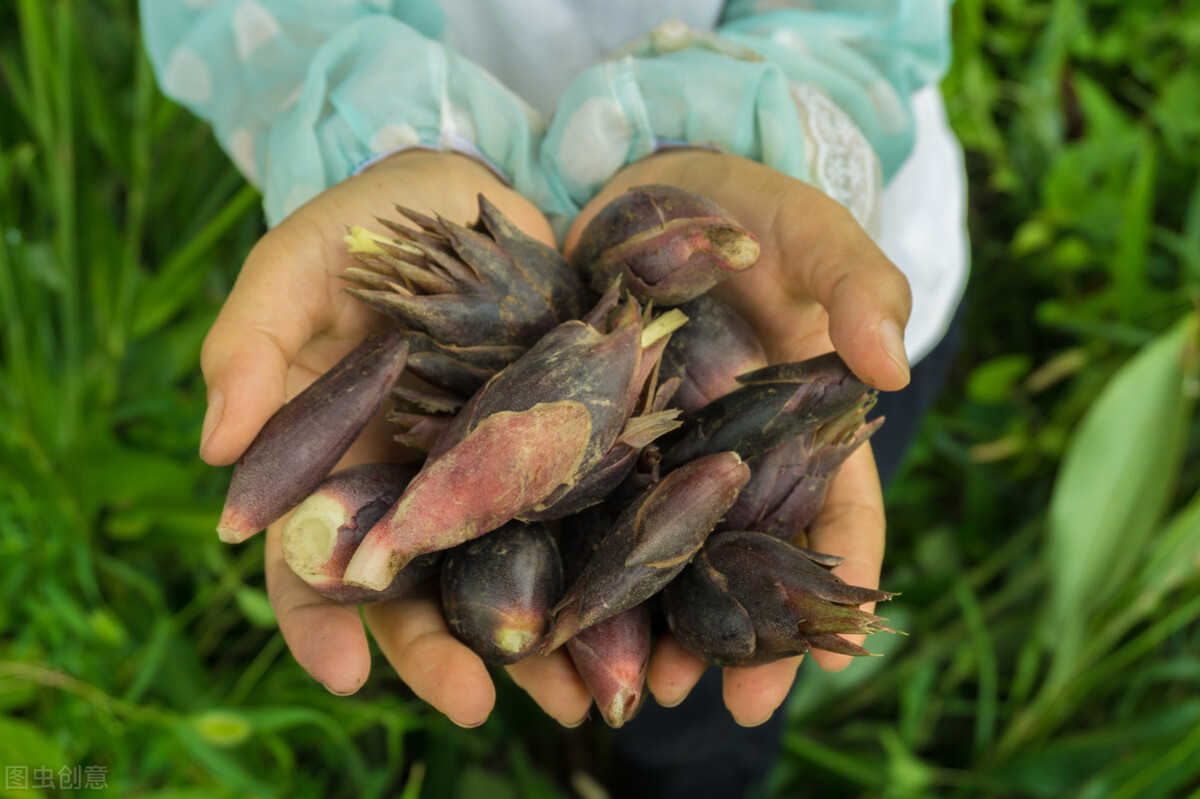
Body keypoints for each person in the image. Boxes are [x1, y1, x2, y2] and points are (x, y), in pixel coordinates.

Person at [141, 0, 966, 794]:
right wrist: (388, 149)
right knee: (616, 662)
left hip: (798, 288)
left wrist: (737, 147)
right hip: (461, 189)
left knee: (700, 699)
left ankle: (687, 775)